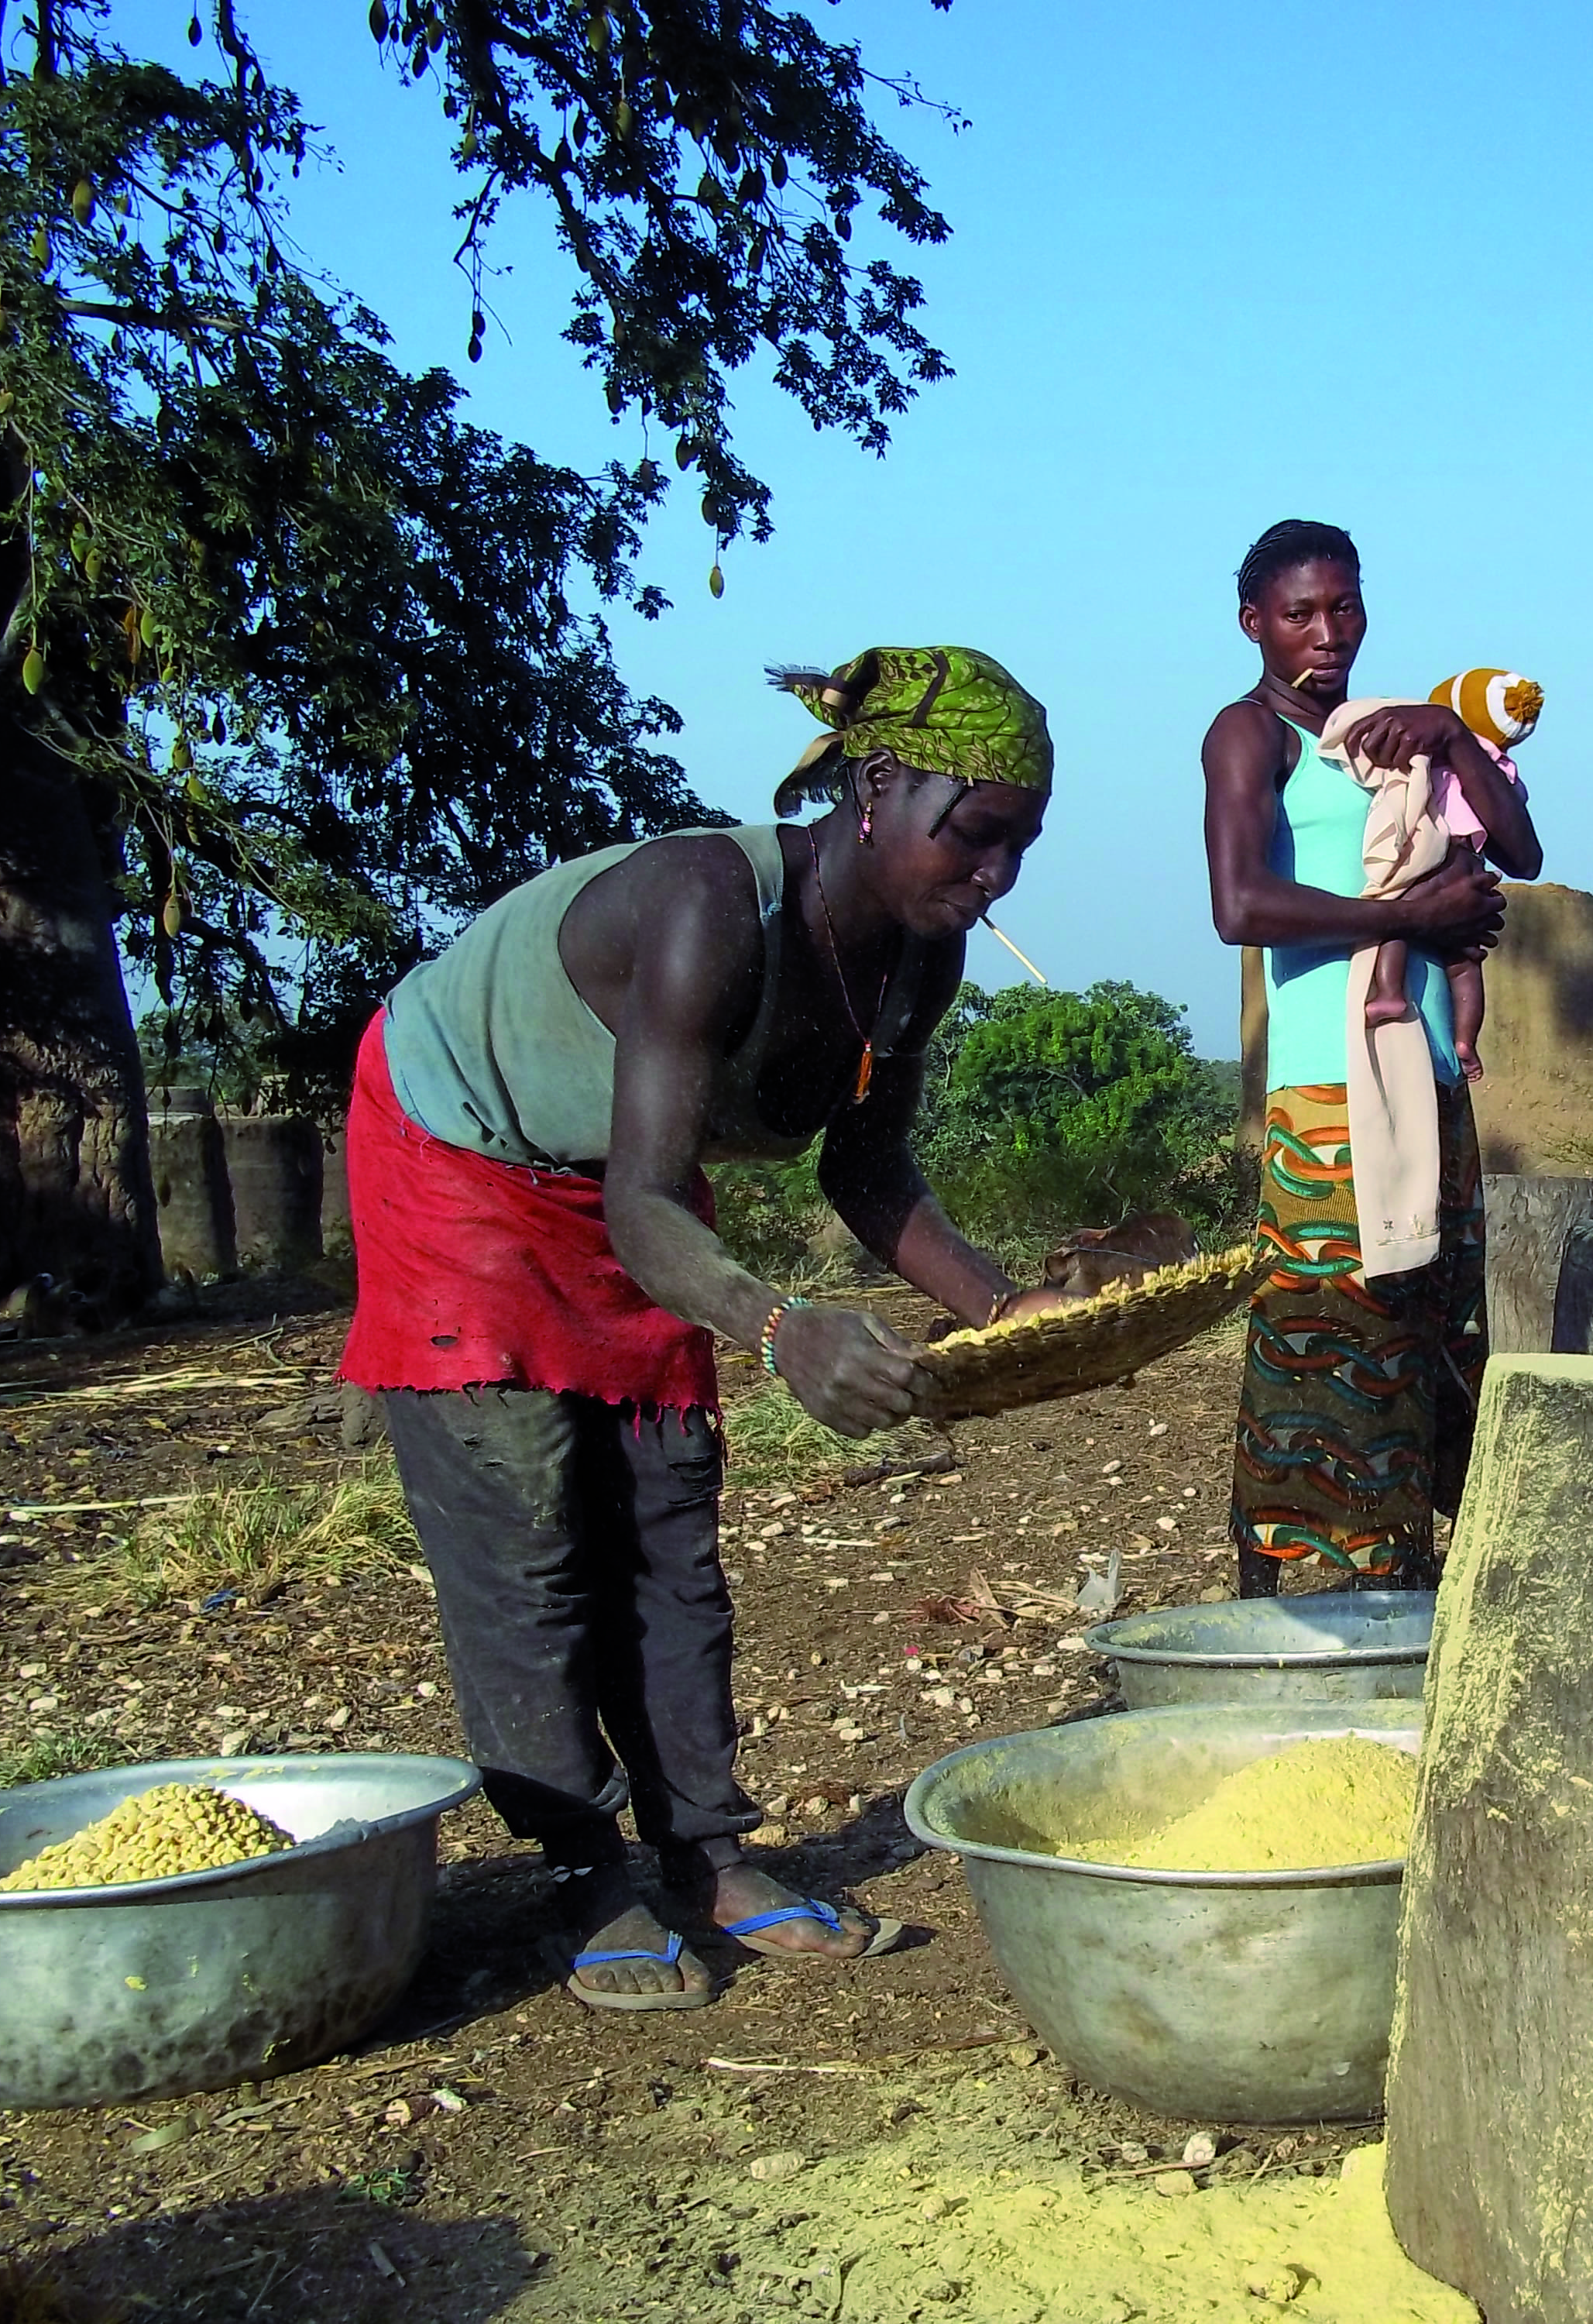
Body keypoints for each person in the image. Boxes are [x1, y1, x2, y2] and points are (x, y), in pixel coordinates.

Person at [339, 647, 1069, 2011]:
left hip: (633, 1182)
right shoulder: (706, 905)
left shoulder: (921, 956)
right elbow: (645, 1205)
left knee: (667, 1514)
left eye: (1021, 844)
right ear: (878, 786)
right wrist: (779, 1325)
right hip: (462, 1156)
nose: (997, 875)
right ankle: (585, 1870)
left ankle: (708, 1853)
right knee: (527, 1535)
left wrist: (1003, 1310)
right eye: (976, 833)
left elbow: (867, 1167)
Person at [1201, 524, 1543, 1596]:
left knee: (1434, 1317)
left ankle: (1408, 1572)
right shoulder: (1249, 734)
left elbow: (1523, 851)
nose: (1326, 632)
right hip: (1328, 1087)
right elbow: (1239, 905)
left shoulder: (1397, 734)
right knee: (1327, 1318)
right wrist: (1408, 913)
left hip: (1429, 1074)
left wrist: (1451, 733)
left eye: (1343, 607)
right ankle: (1275, 1575)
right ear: (1253, 623)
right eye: (1298, 613)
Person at [1360, 666, 1543, 1084]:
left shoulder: (1445, 756)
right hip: (1473, 864)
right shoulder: (1500, 770)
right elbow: (1513, 816)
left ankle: (1389, 992)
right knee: (1465, 961)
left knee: (1398, 914)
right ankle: (1465, 1040)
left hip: (1442, 861)